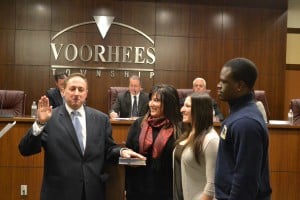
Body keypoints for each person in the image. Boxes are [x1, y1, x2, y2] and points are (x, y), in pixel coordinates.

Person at [18, 73, 145, 200]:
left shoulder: (101, 119)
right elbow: (25, 149)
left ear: (86, 93)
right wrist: (40, 123)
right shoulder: (50, 118)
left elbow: (108, 149)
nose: (77, 93)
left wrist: (122, 151)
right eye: (72, 89)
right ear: (63, 91)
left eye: (81, 89)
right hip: (59, 193)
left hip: (92, 192)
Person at [215, 57, 272, 200]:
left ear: (239, 86)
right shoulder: (238, 114)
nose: (218, 85)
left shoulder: (246, 122)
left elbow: (246, 180)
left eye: (224, 82)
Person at [124, 84, 182, 200]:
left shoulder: (180, 128)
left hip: (167, 192)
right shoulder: (138, 124)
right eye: (150, 99)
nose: (151, 104)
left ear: (169, 103)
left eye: (156, 100)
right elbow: (128, 151)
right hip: (137, 190)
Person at [173, 92, 219, 200]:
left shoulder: (211, 139)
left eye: (187, 106)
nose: (182, 109)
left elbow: (212, 186)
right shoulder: (187, 134)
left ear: (200, 110)